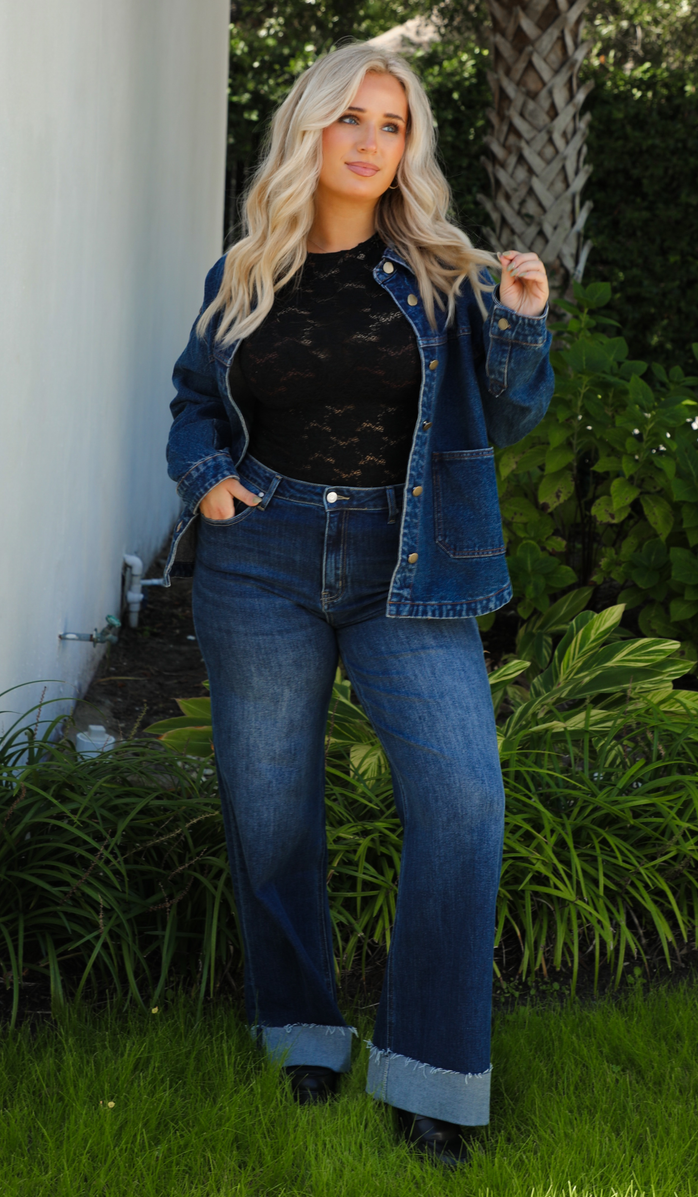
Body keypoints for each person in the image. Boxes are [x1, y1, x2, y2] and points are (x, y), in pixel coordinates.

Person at [164, 40, 553, 1169]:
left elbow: (508, 415)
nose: (373, 141)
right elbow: (196, 400)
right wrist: (208, 483)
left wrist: (520, 321)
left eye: (391, 124)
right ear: (309, 132)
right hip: (264, 553)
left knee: (461, 802)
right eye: (352, 119)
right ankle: (302, 1032)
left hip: (410, 561)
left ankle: (430, 1075)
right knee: (273, 809)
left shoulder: (439, 274)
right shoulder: (245, 270)